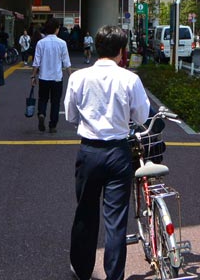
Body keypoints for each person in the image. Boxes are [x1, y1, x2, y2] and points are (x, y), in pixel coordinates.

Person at [64, 26, 149, 280]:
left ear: (97, 47)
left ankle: (81, 269)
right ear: (121, 51)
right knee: (116, 219)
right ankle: (114, 275)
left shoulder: (78, 77)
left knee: (85, 212)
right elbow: (142, 116)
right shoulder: (129, 78)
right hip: (119, 152)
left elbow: (70, 115)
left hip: (89, 150)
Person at [31, 18, 71, 133]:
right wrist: (70, 76)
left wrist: (33, 76)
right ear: (57, 29)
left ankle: (42, 113)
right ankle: (53, 125)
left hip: (43, 77)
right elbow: (66, 62)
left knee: (43, 99)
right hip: (57, 78)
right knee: (55, 102)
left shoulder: (41, 43)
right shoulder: (62, 43)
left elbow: (36, 62)